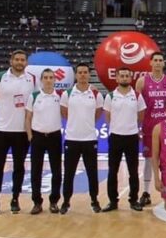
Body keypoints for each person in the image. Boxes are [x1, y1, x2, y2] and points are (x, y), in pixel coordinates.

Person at [0, 50, 36, 214]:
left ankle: (15, 198)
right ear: (11, 61)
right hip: (0, 131)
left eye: (22, 60)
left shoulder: (31, 79)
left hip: (21, 132)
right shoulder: (0, 77)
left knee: (19, 167)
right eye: (17, 59)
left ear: (26, 63)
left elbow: (34, 104)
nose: (20, 62)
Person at [59, 63, 104, 213]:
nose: (83, 75)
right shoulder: (67, 94)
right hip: (71, 139)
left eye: (85, 72)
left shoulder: (96, 94)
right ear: (76, 75)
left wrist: (87, 124)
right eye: (80, 72)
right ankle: (66, 201)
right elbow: (64, 113)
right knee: (69, 173)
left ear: (89, 75)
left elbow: (98, 114)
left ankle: (94, 200)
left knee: (92, 172)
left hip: (90, 139)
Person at [136, 51, 166, 208]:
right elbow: (138, 107)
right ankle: (146, 192)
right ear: (151, 63)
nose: (158, 63)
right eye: (156, 60)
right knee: (148, 159)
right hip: (149, 126)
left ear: (164, 63)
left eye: (161, 60)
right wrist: (138, 126)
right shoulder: (142, 82)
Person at [102, 67, 147, 212]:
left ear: (130, 78)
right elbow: (107, 116)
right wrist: (117, 127)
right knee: (112, 170)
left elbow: (141, 114)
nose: (124, 78)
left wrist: (131, 127)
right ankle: (112, 201)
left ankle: (133, 200)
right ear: (117, 78)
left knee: (133, 171)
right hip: (115, 137)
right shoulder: (110, 96)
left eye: (127, 76)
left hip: (132, 137)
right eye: (122, 76)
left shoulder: (137, 95)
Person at [25, 69, 63, 215]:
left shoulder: (60, 96)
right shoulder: (34, 96)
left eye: (51, 77)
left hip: (54, 136)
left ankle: (54, 201)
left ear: (55, 80)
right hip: (37, 137)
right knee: (36, 171)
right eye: (46, 77)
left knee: (57, 171)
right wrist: (30, 135)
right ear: (41, 80)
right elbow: (28, 117)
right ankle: (36, 202)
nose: (48, 80)